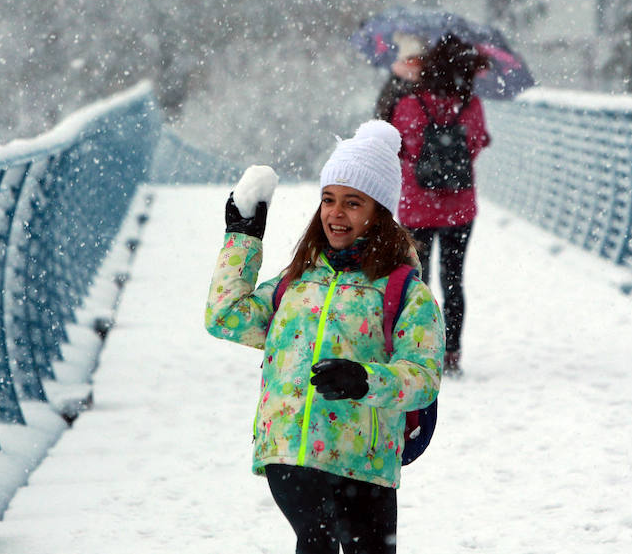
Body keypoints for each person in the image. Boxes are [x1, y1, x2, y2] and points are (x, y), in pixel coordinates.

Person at [205, 120, 444, 554]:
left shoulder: (406, 291)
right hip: (291, 451)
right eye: (328, 200)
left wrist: (366, 379)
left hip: (363, 464)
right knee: (314, 542)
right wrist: (243, 237)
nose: (336, 213)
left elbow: (423, 377)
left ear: (380, 213)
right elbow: (226, 317)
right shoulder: (297, 282)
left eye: (353, 203)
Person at [387, 34, 491, 378]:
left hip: (417, 208)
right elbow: (477, 144)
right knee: (453, 280)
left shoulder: (410, 103)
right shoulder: (472, 106)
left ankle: (419, 347)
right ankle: (451, 354)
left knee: (416, 281)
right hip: (459, 210)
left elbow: (402, 148)